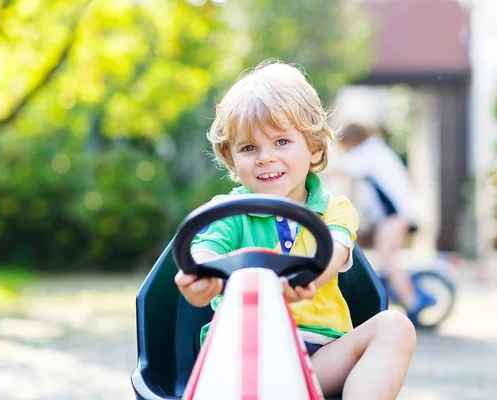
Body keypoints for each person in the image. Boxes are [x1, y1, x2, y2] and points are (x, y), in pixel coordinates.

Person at [175, 59, 416, 400]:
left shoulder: (334, 209)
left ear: (314, 146)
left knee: (396, 326)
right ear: (231, 157)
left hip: (318, 363)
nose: (265, 157)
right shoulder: (229, 213)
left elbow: (333, 251)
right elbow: (204, 248)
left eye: (282, 142)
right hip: (243, 359)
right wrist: (199, 274)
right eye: (248, 148)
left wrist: (308, 277)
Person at [338, 122, 435, 323]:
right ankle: (409, 295)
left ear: (351, 141)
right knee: (388, 258)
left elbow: (342, 169)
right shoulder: (376, 151)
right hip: (398, 213)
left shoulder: (368, 153)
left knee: (388, 258)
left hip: (396, 215)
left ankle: (413, 302)